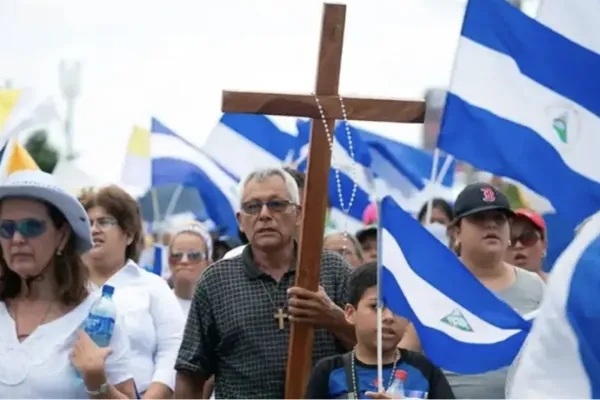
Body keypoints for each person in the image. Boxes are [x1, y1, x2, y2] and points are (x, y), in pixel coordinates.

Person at [174, 167, 355, 398]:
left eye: (277, 204)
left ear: (298, 213)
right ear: (240, 220)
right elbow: (191, 372)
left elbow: (375, 351)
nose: (264, 215)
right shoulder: (215, 282)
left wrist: (334, 319)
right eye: (253, 207)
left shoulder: (333, 270)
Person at [399, 182, 545, 399]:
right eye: (479, 219)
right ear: (456, 231)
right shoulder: (433, 285)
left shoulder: (534, 287)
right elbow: (405, 357)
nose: (491, 226)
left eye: (499, 219)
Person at [0, 170, 134, 398]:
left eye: (31, 227)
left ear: (62, 236)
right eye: (6, 228)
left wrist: (97, 381)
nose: (17, 239)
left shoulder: (97, 317)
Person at [80, 185, 185, 399]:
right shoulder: (65, 286)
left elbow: (172, 350)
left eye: (104, 222)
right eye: (88, 223)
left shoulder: (153, 286)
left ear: (128, 234)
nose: (94, 229)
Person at [305, 262, 455, 399]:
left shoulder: (424, 370)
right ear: (350, 313)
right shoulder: (329, 371)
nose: (388, 317)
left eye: (398, 308)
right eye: (376, 307)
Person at [168, 222, 212, 316]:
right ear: (169, 262)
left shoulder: (219, 309)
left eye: (194, 255)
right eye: (176, 255)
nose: (184, 261)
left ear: (208, 263)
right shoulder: (157, 303)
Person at [505, 208, 548, 282]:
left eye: (528, 237)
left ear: (543, 246)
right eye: (510, 239)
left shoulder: (561, 288)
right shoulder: (487, 291)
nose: (518, 245)